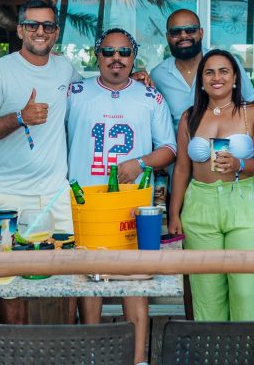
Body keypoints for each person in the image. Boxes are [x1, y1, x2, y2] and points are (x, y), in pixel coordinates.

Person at [67, 28, 176, 365]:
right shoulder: (75, 93)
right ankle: (91, 357)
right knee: (89, 284)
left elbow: (170, 148)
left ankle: (139, 359)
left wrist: (140, 162)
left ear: (134, 56)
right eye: (109, 51)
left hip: (132, 205)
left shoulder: (150, 96)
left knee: (135, 282)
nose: (116, 58)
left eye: (124, 52)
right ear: (96, 54)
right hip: (88, 203)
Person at [0, 0, 81, 324]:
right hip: (9, 193)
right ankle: (14, 346)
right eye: (32, 24)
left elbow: (95, 93)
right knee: (11, 284)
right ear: (20, 30)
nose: (40, 31)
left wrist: (138, 79)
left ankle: (65, 344)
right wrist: (19, 117)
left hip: (56, 194)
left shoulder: (65, 69)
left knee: (67, 279)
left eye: (47, 25)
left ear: (56, 32)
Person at [169, 49, 254, 322]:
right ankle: (212, 348)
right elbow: (182, 168)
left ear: (236, 78)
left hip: (244, 203)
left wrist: (241, 164)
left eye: (224, 71)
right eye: (209, 72)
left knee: (245, 291)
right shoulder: (190, 117)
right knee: (206, 294)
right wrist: (174, 214)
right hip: (199, 206)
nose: (216, 77)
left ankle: (248, 346)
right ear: (201, 81)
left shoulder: (252, 113)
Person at [151, 9, 254, 130]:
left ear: (201, 33)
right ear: (167, 37)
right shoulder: (158, 75)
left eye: (190, 30)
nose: (183, 35)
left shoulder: (226, 63)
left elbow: (253, 106)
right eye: (175, 32)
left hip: (225, 140)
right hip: (179, 141)